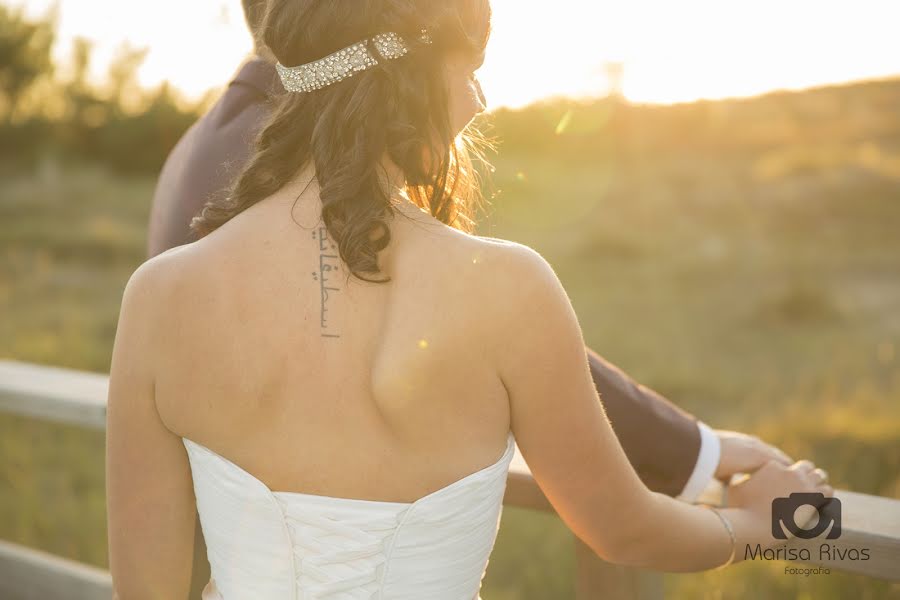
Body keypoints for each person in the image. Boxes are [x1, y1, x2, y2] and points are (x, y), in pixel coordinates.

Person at [108, 1, 832, 598]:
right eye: (472, 70)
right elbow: (625, 529)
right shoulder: (511, 287)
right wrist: (765, 526)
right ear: (409, 72)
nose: (479, 102)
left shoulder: (160, 297)